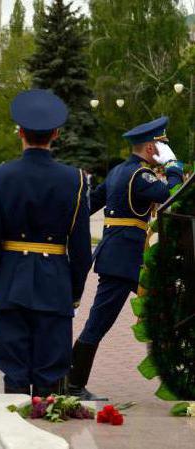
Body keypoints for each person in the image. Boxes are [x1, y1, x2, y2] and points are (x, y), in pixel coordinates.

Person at [0, 90, 92, 397]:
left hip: (11, 282)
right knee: (50, 373)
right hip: (55, 286)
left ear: (20, 133)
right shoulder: (75, 179)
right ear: (55, 134)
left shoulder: (0, 176)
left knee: (13, 370)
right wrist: (74, 292)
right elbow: (81, 248)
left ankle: (11, 436)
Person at [68, 116, 183, 400]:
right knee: (99, 322)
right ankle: (71, 384)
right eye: (159, 145)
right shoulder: (141, 176)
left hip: (126, 258)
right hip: (123, 262)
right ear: (149, 149)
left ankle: (178, 374)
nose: (161, 150)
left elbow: (90, 204)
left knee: (168, 310)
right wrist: (174, 167)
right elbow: (169, 194)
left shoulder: (119, 171)